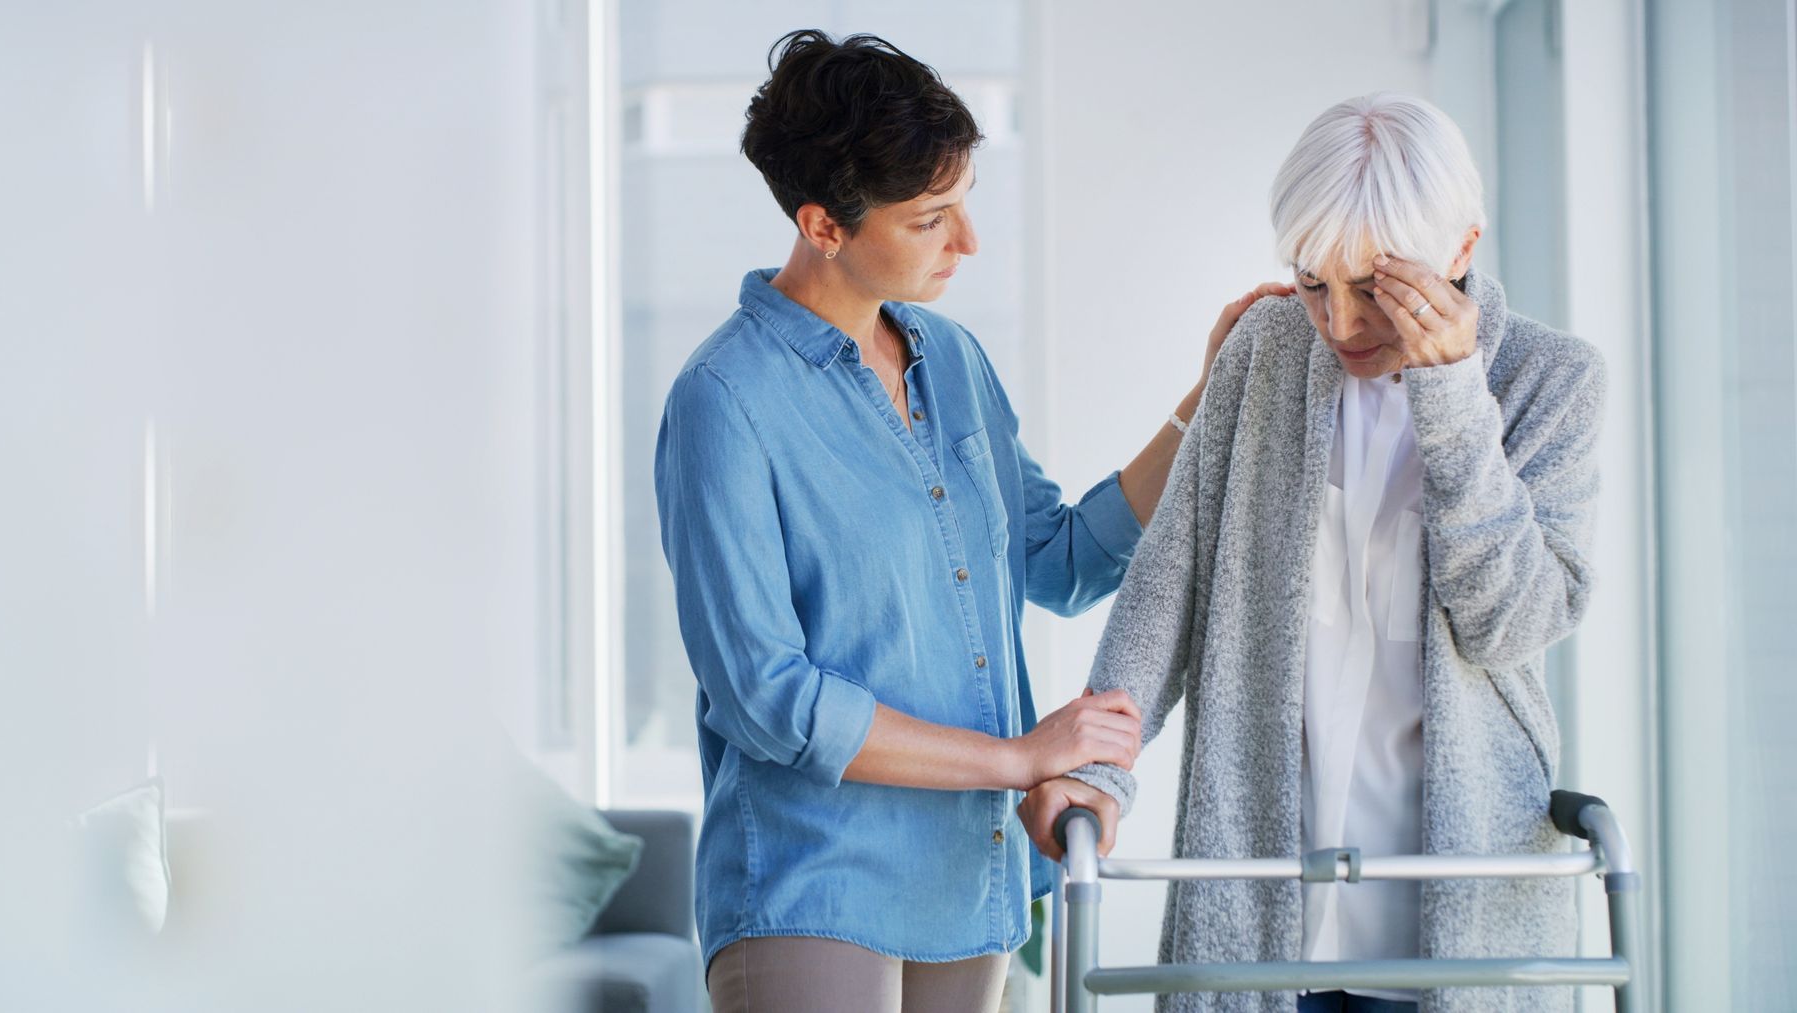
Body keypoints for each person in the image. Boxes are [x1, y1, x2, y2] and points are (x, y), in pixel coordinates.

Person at [655, 29, 1286, 1013]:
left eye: (967, 205)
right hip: (810, 881)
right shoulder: (724, 399)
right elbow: (765, 695)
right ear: (824, 225)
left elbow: (1061, 558)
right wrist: (1018, 758)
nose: (968, 244)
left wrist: (1203, 401)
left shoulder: (951, 360)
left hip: (968, 876)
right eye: (931, 218)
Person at [1019, 93, 1606, 1013]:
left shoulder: (1549, 380)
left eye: (1374, 287)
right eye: (1311, 280)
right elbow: (1169, 582)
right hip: (1269, 893)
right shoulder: (1265, 350)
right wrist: (1099, 770)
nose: (1339, 323)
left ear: (1460, 248)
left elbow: (1514, 621)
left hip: (1453, 906)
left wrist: (1450, 393)